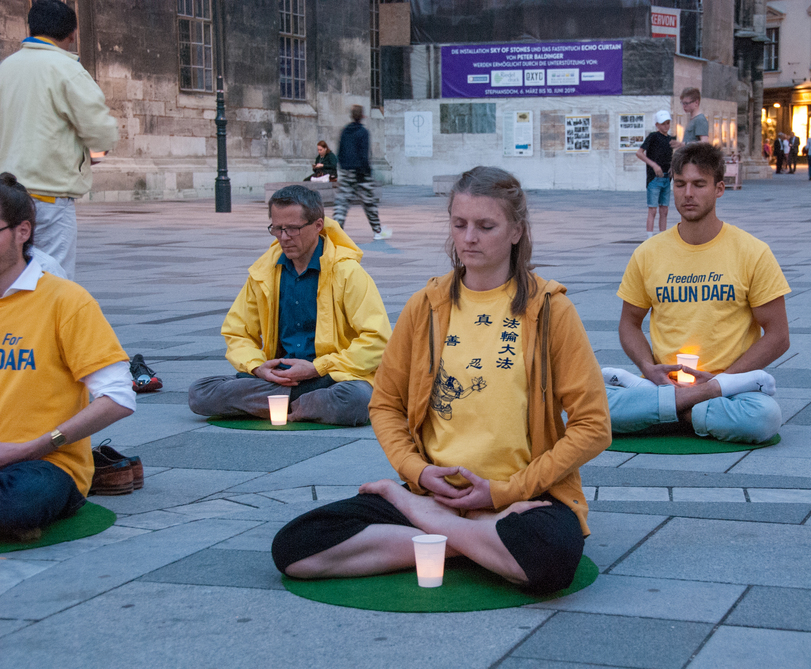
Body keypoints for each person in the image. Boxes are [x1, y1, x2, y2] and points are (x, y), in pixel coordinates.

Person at [271, 166, 612, 594]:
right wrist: (415, 472)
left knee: (550, 559)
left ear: (516, 231)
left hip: (524, 498)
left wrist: (503, 493)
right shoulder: (425, 306)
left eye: (486, 226)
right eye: (460, 224)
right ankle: (470, 538)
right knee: (296, 547)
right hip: (433, 491)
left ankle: (432, 529)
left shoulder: (550, 310)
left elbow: (593, 426)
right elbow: (386, 403)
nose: (469, 237)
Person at [601, 144, 789, 444]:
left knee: (764, 417)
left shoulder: (752, 252)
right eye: (680, 184)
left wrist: (718, 382)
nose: (688, 193)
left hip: (726, 390)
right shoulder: (648, 253)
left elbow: (778, 336)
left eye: (699, 184)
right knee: (586, 408)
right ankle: (685, 410)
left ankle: (664, 413)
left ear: (719, 189)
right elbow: (629, 324)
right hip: (662, 384)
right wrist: (649, 369)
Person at [0, 172, 135, 542]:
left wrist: (34, 446)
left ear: (22, 231)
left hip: (43, 463)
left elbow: (119, 398)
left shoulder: (65, 300)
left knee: (20, 499)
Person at [188, 186, 391, 426]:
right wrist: (257, 367)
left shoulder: (347, 273)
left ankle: (278, 405)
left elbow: (377, 340)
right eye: (277, 228)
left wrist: (317, 367)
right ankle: (303, 406)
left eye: (293, 229)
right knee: (200, 391)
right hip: (278, 378)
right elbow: (237, 331)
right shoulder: (264, 271)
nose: (284, 237)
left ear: (318, 225)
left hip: (332, 376)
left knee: (356, 398)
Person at [0, 0, 118, 280]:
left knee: (9, 274)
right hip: (48, 196)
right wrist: (93, 152)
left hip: (5, 195)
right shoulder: (68, 70)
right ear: (71, 34)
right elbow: (101, 132)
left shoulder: (6, 68)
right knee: (53, 278)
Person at [333, 106, 392, 241]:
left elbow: (340, 151)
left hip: (347, 171)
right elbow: (364, 154)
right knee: (369, 203)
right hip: (361, 172)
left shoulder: (345, 131)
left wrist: (343, 167)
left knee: (342, 202)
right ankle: (377, 230)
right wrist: (367, 171)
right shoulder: (363, 132)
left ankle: (336, 231)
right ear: (362, 116)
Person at [636, 110, 675, 239]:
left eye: (668, 123)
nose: (666, 126)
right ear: (657, 125)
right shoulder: (653, 136)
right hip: (654, 178)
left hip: (666, 177)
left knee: (664, 210)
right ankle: (649, 237)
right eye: (663, 124)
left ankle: (662, 236)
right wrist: (653, 165)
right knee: (652, 209)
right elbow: (639, 153)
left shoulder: (670, 139)